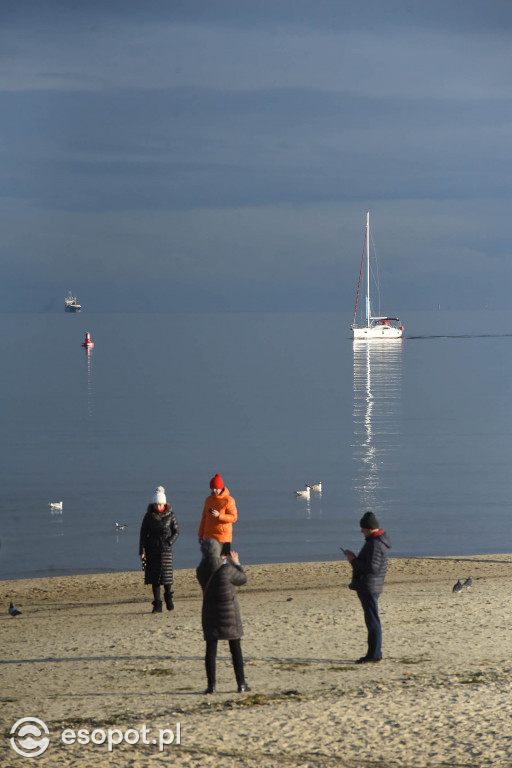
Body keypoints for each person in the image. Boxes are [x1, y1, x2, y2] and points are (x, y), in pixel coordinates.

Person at [196, 538, 251, 694]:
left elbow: (210, 567)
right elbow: (242, 579)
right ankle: (241, 683)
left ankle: (211, 686)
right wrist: (236, 563)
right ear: (218, 551)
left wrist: (220, 561)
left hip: (210, 612)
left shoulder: (200, 570)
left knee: (211, 650)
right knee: (235, 648)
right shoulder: (225, 569)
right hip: (229, 612)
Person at [343, 511, 391, 663]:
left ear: (369, 528)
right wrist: (355, 559)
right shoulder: (375, 542)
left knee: (372, 621)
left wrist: (352, 561)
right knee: (371, 620)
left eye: (362, 528)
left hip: (370, 586)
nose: (361, 531)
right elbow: (371, 565)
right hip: (370, 585)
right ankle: (373, 653)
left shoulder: (375, 544)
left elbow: (372, 568)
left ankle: (374, 654)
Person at [139, 486, 179, 613]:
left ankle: (168, 597)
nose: (158, 507)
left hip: (166, 550)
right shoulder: (148, 516)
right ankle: (157, 604)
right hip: (152, 549)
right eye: (156, 504)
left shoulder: (170, 515)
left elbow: (176, 532)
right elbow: (143, 534)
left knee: (167, 577)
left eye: (160, 504)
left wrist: (169, 542)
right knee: (154, 578)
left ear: (164, 504)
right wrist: (142, 551)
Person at [198, 473, 237, 555]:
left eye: (216, 488)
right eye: (212, 488)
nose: (214, 490)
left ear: (221, 488)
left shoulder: (229, 500)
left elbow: (233, 518)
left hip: (223, 538)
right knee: (208, 561)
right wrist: (201, 534)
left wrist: (219, 516)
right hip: (208, 536)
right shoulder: (208, 500)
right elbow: (204, 518)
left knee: (222, 562)